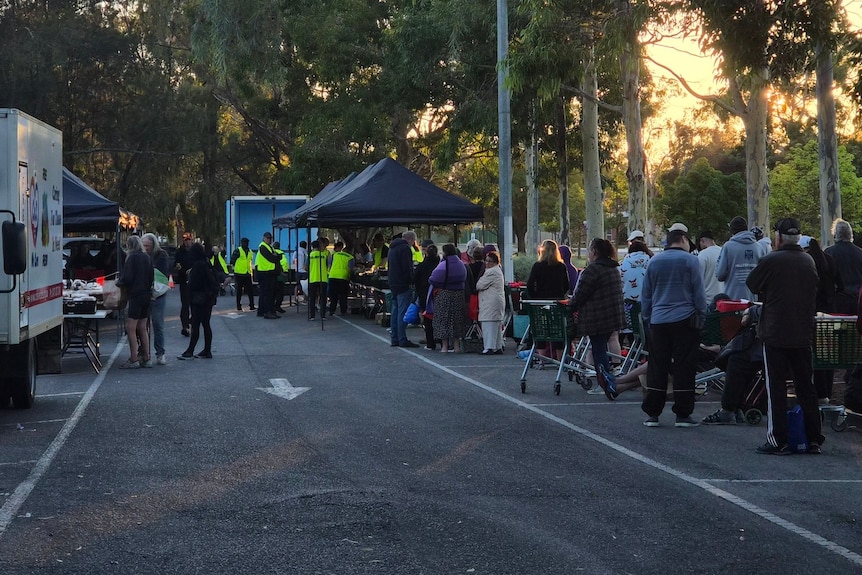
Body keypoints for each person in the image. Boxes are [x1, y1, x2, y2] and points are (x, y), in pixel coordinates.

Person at [747, 217, 823, 454]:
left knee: (776, 387)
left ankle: (777, 439)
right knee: (805, 387)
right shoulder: (808, 261)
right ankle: (813, 438)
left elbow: (752, 284)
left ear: (778, 238)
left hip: (776, 332)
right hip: (802, 332)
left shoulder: (772, 260)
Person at [640, 228, 707, 427]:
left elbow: (646, 294)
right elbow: (699, 293)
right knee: (684, 366)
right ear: (684, 240)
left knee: (657, 365)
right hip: (685, 319)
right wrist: (701, 316)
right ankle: (683, 413)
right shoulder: (691, 261)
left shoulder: (654, 261)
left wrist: (648, 318)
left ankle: (653, 412)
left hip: (658, 320)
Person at [567, 238, 627, 401]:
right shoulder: (613, 268)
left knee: (598, 350)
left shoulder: (593, 270)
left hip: (597, 317)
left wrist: (569, 306)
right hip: (612, 315)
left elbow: (581, 294)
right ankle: (607, 381)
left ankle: (605, 384)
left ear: (595, 251)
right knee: (601, 348)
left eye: (589, 249)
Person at [701, 306, 763, 425]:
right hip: (785, 341)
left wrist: (750, 311)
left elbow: (769, 308)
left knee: (738, 360)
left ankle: (728, 409)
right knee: (742, 358)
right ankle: (735, 407)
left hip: (776, 344)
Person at [802, 236, 840, 404]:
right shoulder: (829, 260)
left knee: (814, 352)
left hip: (812, 311)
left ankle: (817, 391)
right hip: (830, 311)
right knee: (828, 352)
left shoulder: (808, 262)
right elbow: (841, 284)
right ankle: (826, 392)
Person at [117, 235, 154, 369]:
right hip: (146, 294)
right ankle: (147, 357)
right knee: (143, 327)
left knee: (131, 328)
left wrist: (119, 282)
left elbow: (127, 278)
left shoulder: (131, 258)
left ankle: (134, 358)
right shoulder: (147, 258)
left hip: (135, 295)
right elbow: (151, 277)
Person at [177, 242, 219, 360]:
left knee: (195, 325)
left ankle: (190, 351)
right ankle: (207, 350)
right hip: (208, 298)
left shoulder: (197, 265)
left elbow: (194, 284)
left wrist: (189, 282)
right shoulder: (206, 262)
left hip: (199, 299)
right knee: (206, 324)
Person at [429, 243, 468, 353]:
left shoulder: (444, 264)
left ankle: (444, 347)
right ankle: (456, 346)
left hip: (444, 293)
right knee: (457, 320)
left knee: (443, 319)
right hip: (459, 294)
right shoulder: (461, 264)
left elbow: (433, 278)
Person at [715, 216, 762, 301]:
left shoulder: (728, 246)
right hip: (752, 300)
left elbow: (720, 275)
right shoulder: (758, 247)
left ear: (732, 230)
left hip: (732, 299)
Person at [387, 230, 420, 348]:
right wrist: (411, 280)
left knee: (395, 311)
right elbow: (407, 267)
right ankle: (402, 338)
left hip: (393, 283)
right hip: (403, 284)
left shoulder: (392, 248)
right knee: (402, 312)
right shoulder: (405, 249)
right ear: (411, 239)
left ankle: (394, 338)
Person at [142, 233, 170, 366]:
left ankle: (160, 353)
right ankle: (145, 354)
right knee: (142, 326)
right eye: (144, 245)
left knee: (158, 324)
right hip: (144, 293)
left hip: (158, 294)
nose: (146, 248)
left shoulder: (162, 255)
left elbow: (162, 274)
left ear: (153, 245)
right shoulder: (141, 255)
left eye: (148, 246)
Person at [824, 218, 862, 315]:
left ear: (835, 235)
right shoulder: (860, 253)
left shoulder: (829, 253)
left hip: (837, 300)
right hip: (858, 299)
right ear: (850, 234)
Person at [476, 251, 505, 354]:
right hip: (496, 301)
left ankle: (489, 347)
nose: (487, 263)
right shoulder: (498, 270)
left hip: (490, 302)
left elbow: (479, 285)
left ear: (495, 262)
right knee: (496, 325)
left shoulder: (490, 272)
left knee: (488, 323)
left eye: (489, 261)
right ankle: (497, 346)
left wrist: (480, 279)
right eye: (486, 261)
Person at [414, 243, 440, 351]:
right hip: (438, 293)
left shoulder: (422, 266)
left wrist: (419, 291)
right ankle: (442, 340)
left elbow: (415, 279)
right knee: (440, 317)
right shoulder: (440, 265)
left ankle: (430, 342)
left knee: (428, 318)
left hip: (425, 293)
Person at [254, 232, 281, 319]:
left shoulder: (269, 247)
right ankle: (267, 312)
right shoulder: (263, 247)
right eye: (268, 238)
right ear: (264, 238)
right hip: (265, 273)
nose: (269, 239)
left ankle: (265, 311)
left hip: (269, 273)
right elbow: (272, 258)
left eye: (270, 238)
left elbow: (276, 256)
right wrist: (276, 256)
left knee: (268, 293)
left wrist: (276, 256)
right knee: (267, 294)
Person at [173, 232, 194, 336]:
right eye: (186, 240)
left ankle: (192, 321)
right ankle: (185, 326)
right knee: (185, 305)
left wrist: (193, 270)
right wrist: (183, 270)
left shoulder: (195, 251)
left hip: (194, 282)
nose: (187, 242)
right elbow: (176, 264)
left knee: (194, 304)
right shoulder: (179, 252)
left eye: (189, 240)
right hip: (184, 281)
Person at [697, 231, 725, 304]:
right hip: (724, 299)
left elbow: (698, 279)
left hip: (708, 300)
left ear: (702, 240)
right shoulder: (723, 251)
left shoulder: (702, 255)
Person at [328, 241, 354, 316]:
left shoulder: (334, 254)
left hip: (333, 276)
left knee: (333, 296)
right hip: (343, 277)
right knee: (343, 295)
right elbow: (351, 269)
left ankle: (332, 311)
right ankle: (343, 311)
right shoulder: (350, 257)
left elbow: (330, 264)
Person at [231, 237, 255, 312]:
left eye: (247, 243)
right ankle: (239, 306)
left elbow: (250, 261)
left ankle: (252, 305)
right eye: (244, 242)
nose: (246, 244)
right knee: (239, 291)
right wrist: (235, 268)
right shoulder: (238, 250)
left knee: (250, 290)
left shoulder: (250, 251)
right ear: (242, 243)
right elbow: (232, 260)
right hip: (239, 273)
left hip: (247, 273)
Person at [307, 240, 329, 320]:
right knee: (323, 298)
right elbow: (327, 265)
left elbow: (306, 267)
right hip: (323, 278)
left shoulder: (310, 255)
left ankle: (312, 315)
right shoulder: (324, 255)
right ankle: (323, 315)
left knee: (312, 298)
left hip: (313, 278)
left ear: (312, 247)